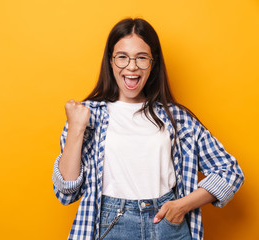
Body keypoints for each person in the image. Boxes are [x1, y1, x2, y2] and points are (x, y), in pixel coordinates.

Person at [52, 18, 244, 240]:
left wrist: (181, 206)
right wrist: (76, 129)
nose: (132, 67)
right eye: (122, 57)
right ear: (110, 61)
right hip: (111, 225)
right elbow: (66, 191)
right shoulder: (87, 115)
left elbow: (230, 172)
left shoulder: (177, 118)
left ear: (153, 64)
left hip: (168, 225)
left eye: (141, 58)